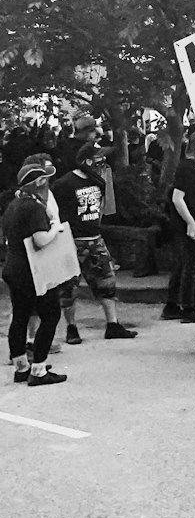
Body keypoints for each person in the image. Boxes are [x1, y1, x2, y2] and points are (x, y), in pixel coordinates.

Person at [51, 143, 137, 343]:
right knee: (69, 288)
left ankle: (112, 324)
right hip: (72, 242)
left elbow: (100, 208)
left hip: (94, 239)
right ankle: (72, 328)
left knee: (107, 281)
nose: (100, 164)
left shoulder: (98, 181)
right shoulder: (64, 184)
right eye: (97, 160)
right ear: (86, 161)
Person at [3, 161, 68, 386]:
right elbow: (40, 240)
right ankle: (39, 370)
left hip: (13, 268)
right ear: (39, 182)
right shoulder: (33, 207)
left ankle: (21, 366)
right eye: (45, 180)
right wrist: (55, 230)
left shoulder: (13, 205)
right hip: (33, 271)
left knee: (20, 316)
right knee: (51, 315)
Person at [162, 131, 195, 323]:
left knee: (183, 264)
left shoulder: (193, 169)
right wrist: (191, 222)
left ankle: (172, 305)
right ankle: (187, 307)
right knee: (190, 265)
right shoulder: (186, 169)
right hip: (186, 224)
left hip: (189, 222)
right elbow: (177, 198)